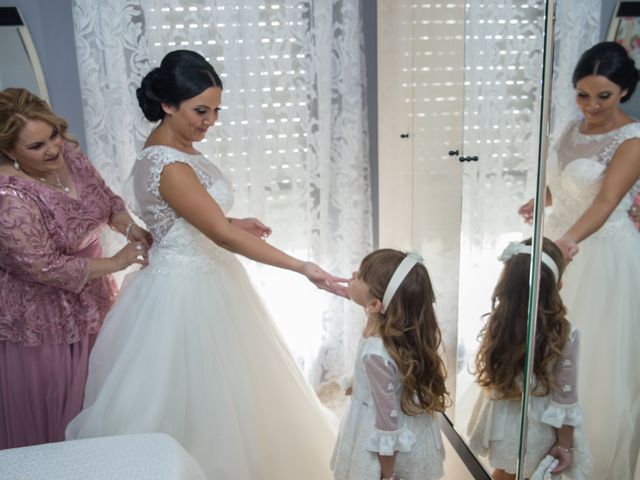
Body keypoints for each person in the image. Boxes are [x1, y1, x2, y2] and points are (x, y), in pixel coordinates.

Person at [65, 50, 347, 479]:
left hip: (209, 279)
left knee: (235, 398)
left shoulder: (178, 149)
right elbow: (217, 234)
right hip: (184, 295)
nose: (210, 121)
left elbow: (185, 218)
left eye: (216, 110)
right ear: (167, 105)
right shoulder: (166, 162)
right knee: (195, 401)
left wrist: (231, 220)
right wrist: (300, 266)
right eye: (200, 110)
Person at [0, 88, 151, 449]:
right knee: (59, 412)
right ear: (8, 151)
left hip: (93, 294)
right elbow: (43, 266)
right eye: (35, 147)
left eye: (52, 134)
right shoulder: (10, 197)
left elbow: (108, 201)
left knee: (101, 396)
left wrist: (132, 229)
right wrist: (117, 261)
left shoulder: (69, 154)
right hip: (44, 316)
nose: (52, 149)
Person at [518, 41, 640, 479]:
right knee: (544, 349)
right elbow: (569, 181)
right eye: (583, 94)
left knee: (587, 357)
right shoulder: (571, 127)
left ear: (624, 91)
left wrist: (564, 243)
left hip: (602, 254)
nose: (591, 105)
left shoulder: (632, 139)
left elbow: (606, 202)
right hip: (561, 243)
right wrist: (544, 199)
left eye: (603, 96)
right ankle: (535, 443)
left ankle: (585, 454)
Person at [467, 238, 591, 480]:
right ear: (558, 286)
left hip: (504, 418)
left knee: (504, 472)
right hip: (539, 425)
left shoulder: (499, 322)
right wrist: (564, 444)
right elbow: (565, 397)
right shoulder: (565, 333)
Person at [331, 249, 449, 480]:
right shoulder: (396, 334)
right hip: (409, 431)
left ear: (375, 305)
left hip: (385, 452)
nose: (353, 274)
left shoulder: (377, 353)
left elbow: (387, 424)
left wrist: (387, 475)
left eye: (360, 276)